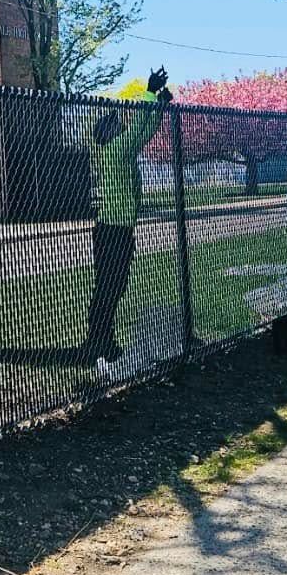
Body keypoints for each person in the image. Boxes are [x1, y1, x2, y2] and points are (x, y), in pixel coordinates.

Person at [83, 67, 174, 366]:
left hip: (117, 229)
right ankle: (98, 342)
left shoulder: (119, 150)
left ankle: (100, 340)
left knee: (113, 288)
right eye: (117, 126)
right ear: (108, 133)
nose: (122, 128)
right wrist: (150, 92)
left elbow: (142, 133)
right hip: (112, 231)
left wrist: (159, 107)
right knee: (109, 289)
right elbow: (137, 132)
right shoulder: (113, 152)